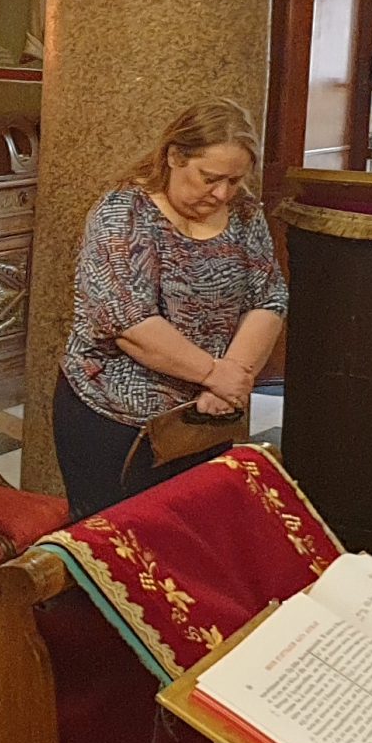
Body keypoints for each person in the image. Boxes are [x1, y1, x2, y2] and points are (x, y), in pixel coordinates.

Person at [56, 100, 287, 521]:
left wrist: (230, 377)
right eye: (210, 178)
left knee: (194, 537)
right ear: (175, 156)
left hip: (207, 412)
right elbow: (130, 323)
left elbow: (268, 298)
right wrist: (214, 374)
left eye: (234, 180)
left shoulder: (244, 212)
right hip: (117, 419)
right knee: (118, 542)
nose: (222, 193)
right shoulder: (123, 214)